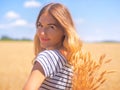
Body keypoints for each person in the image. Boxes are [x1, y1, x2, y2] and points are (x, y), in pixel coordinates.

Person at [23, 2, 82, 90]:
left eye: (51, 27)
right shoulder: (72, 61)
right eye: (40, 25)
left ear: (65, 30)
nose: (42, 33)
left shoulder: (48, 57)